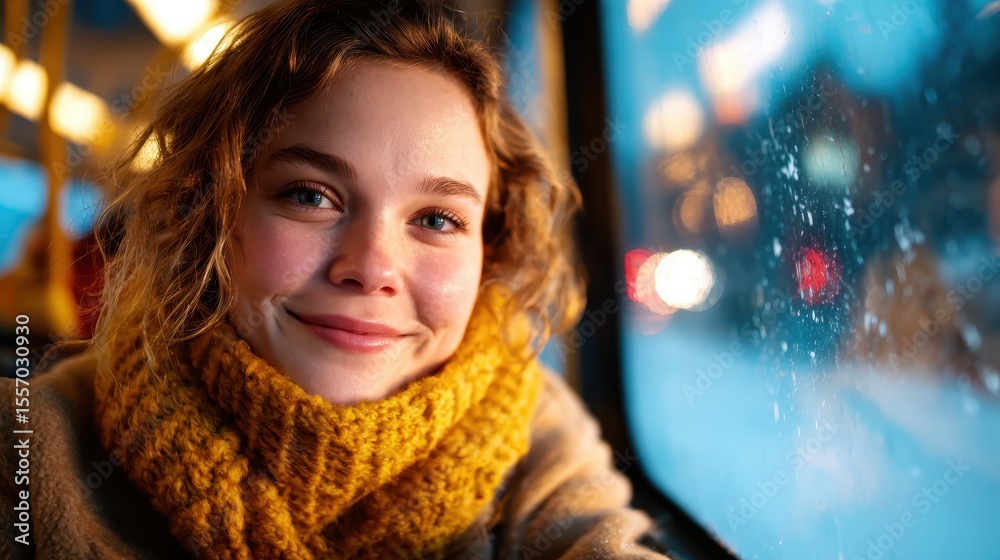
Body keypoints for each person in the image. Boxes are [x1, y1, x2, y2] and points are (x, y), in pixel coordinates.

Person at [0, 1, 672, 558]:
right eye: (311, 196)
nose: (372, 267)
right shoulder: (32, 450)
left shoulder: (537, 435)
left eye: (437, 218)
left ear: (488, 255)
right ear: (208, 213)